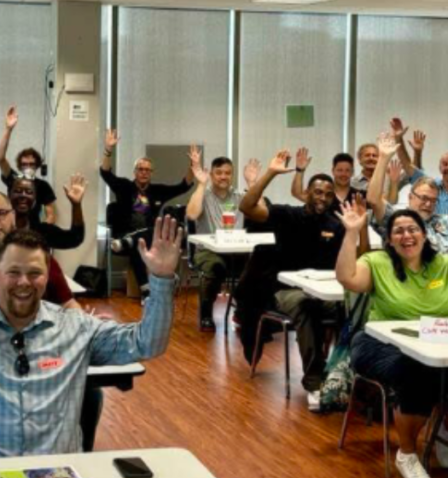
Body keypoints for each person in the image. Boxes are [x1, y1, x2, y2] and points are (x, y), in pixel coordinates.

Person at [0, 196, 181, 459]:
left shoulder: (76, 329)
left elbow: (148, 342)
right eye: (13, 273)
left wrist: (162, 280)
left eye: (34, 274)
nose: (23, 283)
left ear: (49, 275)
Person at [336, 203, 447, 478]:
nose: (406, 236)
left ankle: (442, 437)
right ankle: (407, 453)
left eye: (412, 229)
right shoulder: (377, 262)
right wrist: (351, 234)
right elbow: (348, 279)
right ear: (389, 239)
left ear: (424, 235)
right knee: (418, 372)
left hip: (433, 344)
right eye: (398, 231)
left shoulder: (442, 265)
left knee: (437, 369)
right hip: (378, 343)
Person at [239, 150, 346, 399]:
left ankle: (346, 373)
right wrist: (271, 173)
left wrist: (357, 229)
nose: (323, 198)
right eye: (318, 192)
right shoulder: (287, 215)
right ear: (307, 193)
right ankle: (314, 381)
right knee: (306, 305)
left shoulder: (335, 224)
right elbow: (247, 207)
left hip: (322, 290)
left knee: (353, 308)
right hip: (284, 291)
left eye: (329, 195)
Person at [100, 130, 194, 297]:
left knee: (146, 237)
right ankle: (146, 290)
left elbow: (184, 186)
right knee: (139, 245)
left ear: (151, 173)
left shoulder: (158, 191)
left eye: (147, 170)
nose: (144, 172)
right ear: (135, 172)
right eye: (140, 169)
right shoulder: (124, 186)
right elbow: (105, 173)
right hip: (124, 233)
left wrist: (193, 166)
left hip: (148, 237)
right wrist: (108, 149)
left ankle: (130, 245)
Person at [186, 149, 248, 331]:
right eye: (219, 173)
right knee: (216, 266)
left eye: (228, 173)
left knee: (256, 265)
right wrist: (200, 184)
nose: (223, 177)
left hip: (236, 250)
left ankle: (245, 312)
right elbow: (191, 214)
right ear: (211, 174)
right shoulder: (203, 195)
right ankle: (206, 314)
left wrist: (252, 183)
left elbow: (261, 211)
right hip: (207, 251)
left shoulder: (240, 197)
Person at [367, 132, 448, 252]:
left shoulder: (443, 222)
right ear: (410, 197)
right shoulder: (396, 219)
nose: (428, 204)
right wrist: (383, 158)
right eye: (424, 198)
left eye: (433, 200)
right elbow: (373, 200)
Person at [0, 106, 58, 225]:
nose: (28, 167)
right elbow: (0, 158)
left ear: (37, 165)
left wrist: (41, 233)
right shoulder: (13, 179)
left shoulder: (43, 186)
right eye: (24, 164)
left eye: (31, 164)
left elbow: (51, 215)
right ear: (19, 166)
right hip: (11, 226)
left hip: (33, 229)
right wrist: (8, 129)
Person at [9, 173, 86, 250]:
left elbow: (74, 238)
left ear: (34, 200)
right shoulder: (0, 225)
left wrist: (76, 205)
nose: (23, 195)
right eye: (18, 191)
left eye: (29, 192)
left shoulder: (41, 232)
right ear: (10, 195)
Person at [291, 150, 365, 205]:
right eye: (340, 170)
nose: (343, 174)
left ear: (352, 172)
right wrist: (300, 170)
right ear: (333, 171)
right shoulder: (321, 194)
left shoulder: (359, 196)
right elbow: (297, 193)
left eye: (347, 170)